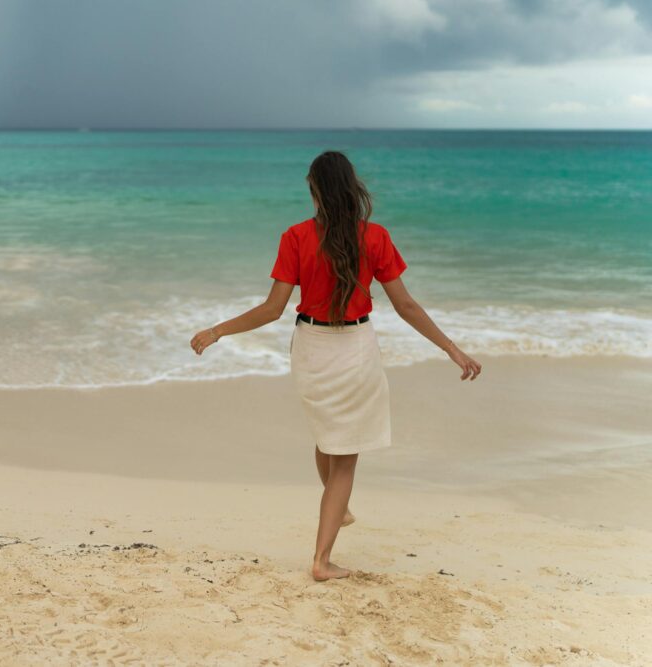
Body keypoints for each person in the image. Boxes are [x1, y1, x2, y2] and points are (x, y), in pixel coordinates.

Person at [189, 150, 481, 582]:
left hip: (311, 348)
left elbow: (272, 309)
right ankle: (322, 559)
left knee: (328, 439)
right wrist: (452, 349)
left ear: (315, 191)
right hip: (356, 349)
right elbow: (405, 305)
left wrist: (217, 331)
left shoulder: (296, 236)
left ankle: (337, 506)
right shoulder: (375, 237)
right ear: (351, 188)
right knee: (342, 458)